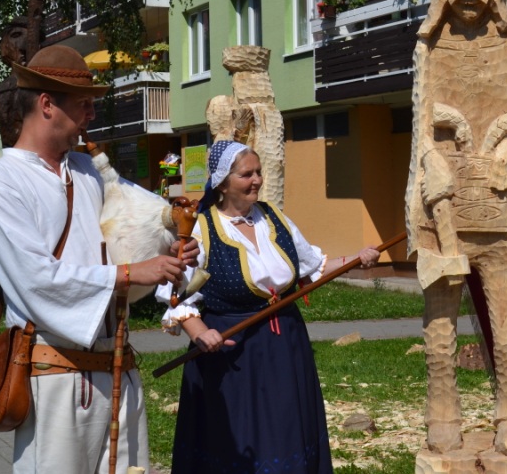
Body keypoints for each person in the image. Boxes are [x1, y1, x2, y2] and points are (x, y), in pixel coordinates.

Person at [0, 44, 193, 473]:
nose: (92, 115)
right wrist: (129, 273)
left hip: (119, 368)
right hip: (55, 377)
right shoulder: (2, 185)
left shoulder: (90, 170)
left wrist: (169, 247)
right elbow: (37, 280)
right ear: (47, 104)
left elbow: (139, 227)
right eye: (84, 104)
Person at [159, 140, 380, 473]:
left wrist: (356, 259)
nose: (257, 180)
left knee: (287, 427)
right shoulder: (201, 230)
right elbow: (176, 295)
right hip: (231, 353)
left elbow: (312, 267)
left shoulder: (273, 218)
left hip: (285, 346)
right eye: (247, 174)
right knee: (239, 438)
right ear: (222, 183)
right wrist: (200, 332)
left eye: (258, 172)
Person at [406, 0, 507, 455]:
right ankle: (442, 410)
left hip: (498, 211)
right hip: (441, 213)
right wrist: (430, 159)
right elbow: (421, 122)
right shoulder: (429, 48)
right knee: (440, 329)